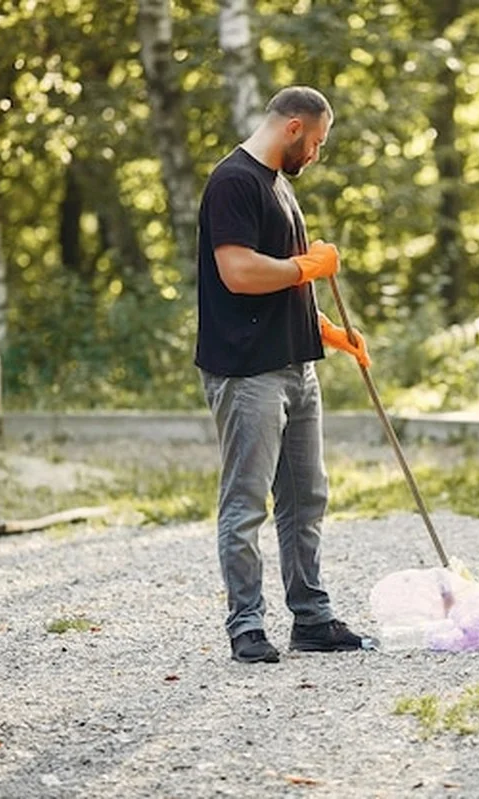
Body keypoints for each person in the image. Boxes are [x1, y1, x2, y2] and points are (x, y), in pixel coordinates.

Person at [195, 86, 378, 662]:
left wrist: (328, 331)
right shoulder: (234, 182)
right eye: (318, 143)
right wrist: (306, 266)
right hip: (248, 372)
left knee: (306, 497)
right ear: (294, 127)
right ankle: (246, 625)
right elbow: (240, 273)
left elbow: (283, 285)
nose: (316, 156)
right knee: (247, 500)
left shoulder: (279, 185)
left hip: (297, 365)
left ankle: (312, 618)